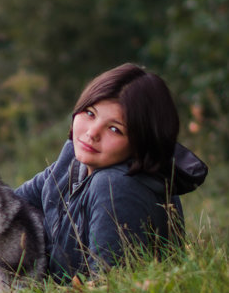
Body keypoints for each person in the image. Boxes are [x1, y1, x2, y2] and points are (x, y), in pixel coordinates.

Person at [14, 63, 208, 281]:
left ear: (140, 143)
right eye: (90, 113)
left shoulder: (117, 186)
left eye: (115, 129)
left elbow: (109, 289)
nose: (92, 132)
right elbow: (5, 209)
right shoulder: (72, 162)